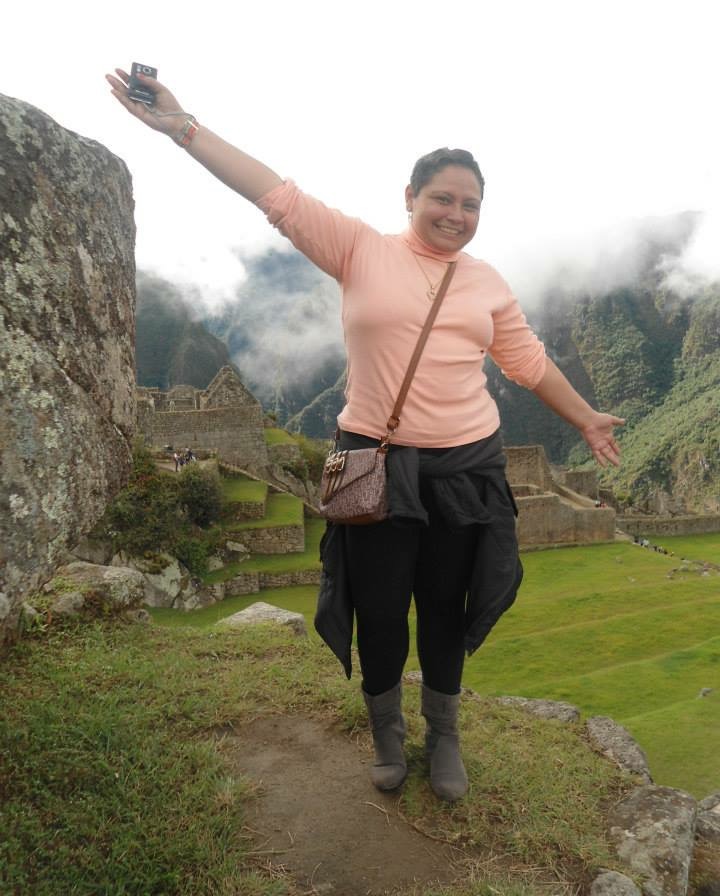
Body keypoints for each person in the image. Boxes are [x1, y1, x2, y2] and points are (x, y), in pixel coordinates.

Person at [106, 68, 624, 802]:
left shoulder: (486, 283)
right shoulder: (358, 249)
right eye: (442, 198)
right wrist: (183, 125)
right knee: (379, 609)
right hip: (374, 464)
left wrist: (585, 416)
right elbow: (273, 194)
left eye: (470, 204)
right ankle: (388, 734)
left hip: (466, 468)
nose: (456, 213)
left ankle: (444, 734)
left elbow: (530, 363)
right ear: (409, 197)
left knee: (445, 607)